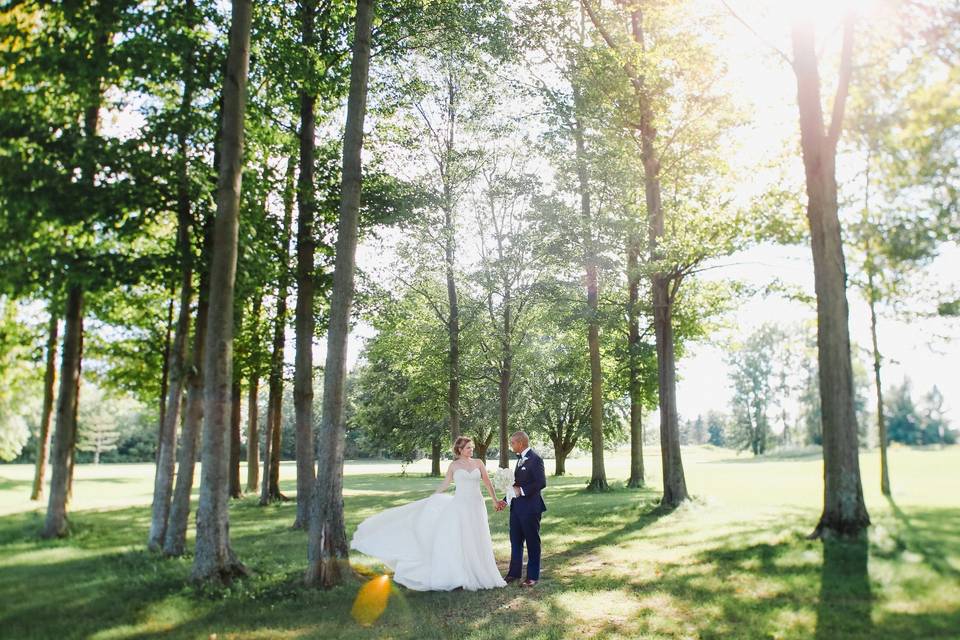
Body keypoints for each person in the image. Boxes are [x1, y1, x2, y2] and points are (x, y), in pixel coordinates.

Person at [350, 436, 507, 591]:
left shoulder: (478, 463)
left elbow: (486, 482)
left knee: (477, 536)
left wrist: (494, 500)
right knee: (462, 537)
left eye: (472, 447)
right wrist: (433, 497)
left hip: (476, 505)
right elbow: (446, 484)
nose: (471, 450)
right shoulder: (454, 465)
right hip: (460, 505)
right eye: (468, 448)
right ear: (459, 449)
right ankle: (462, 573)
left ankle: (481, 570)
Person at [501, 431, 546, 587]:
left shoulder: (536, 459)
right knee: (516, 541)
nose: (511, 445)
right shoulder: (519, 460)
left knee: (533, 542)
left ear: (520, 443)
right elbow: (515, 486)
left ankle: (532, 577)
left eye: (512, 442)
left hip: (531, 508)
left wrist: (523, 491)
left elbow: (541, 483)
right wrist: (505, 501)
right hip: (516, 508)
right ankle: (514, 573)